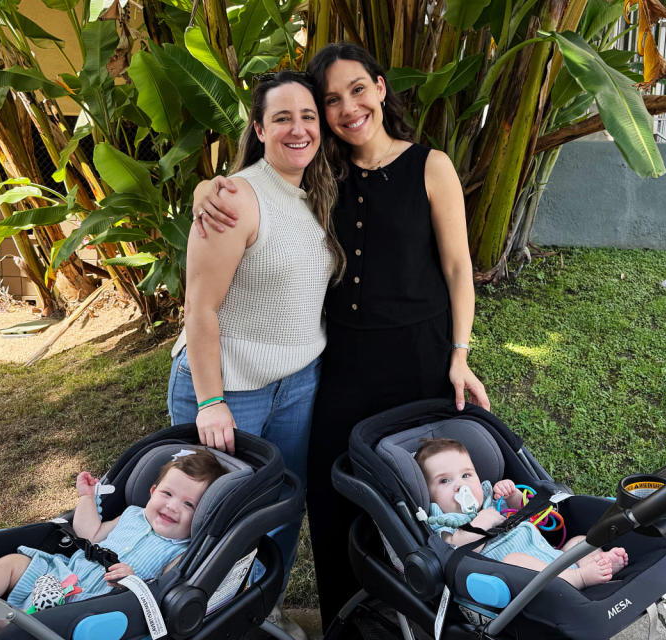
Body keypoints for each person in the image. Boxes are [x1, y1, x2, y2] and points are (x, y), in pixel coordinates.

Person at [191, 42, 491, 626]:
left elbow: (459, 267)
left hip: (420, 356)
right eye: (331, 100)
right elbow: (257, 186)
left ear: (381, 88)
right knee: (333, 499)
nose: (347, 108)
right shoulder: (321, 173)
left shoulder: (430, 165)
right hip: (343, 363)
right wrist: (209, 188)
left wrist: (460, 353)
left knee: (423, 492)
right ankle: (347, 623)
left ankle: (435, 614)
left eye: (358, 89)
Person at [167, 70, 343, 636]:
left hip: (298, 384)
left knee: (282, 512)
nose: (298, 129)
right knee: (213, 519)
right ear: (260, 127)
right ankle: (205, 622)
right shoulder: (234, 197)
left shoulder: (322, 191)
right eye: (283, 117)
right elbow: (200, 309)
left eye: (308, 116)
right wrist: (211, 400)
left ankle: (260, 613)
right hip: (230, 389)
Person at [0, 449, 227, 632]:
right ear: (153, 492)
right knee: (15, 564)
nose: (173, 506)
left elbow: (166, 587)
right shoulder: (132, 514)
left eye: (189, 505)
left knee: (56, 620)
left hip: (94, 600)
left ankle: (4, 623)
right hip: (61, 573)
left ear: (202, 516)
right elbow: (90, 534)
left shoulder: (180, 550)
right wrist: (87, 497)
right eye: (168, 494)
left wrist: (135, 581)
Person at [416, 438, 628, 588]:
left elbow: (523, 513)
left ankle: (600, 563)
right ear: (430, 495)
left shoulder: (491, 497)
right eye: (445, 481)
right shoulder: (444, 521)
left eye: (466, 475)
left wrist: (512, 496)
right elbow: (456, 547)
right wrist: (482, 522)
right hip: (522, 578)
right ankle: (579, 578)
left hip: (553, 558)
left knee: (579, 541)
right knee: (514, 559)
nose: (459, 486)